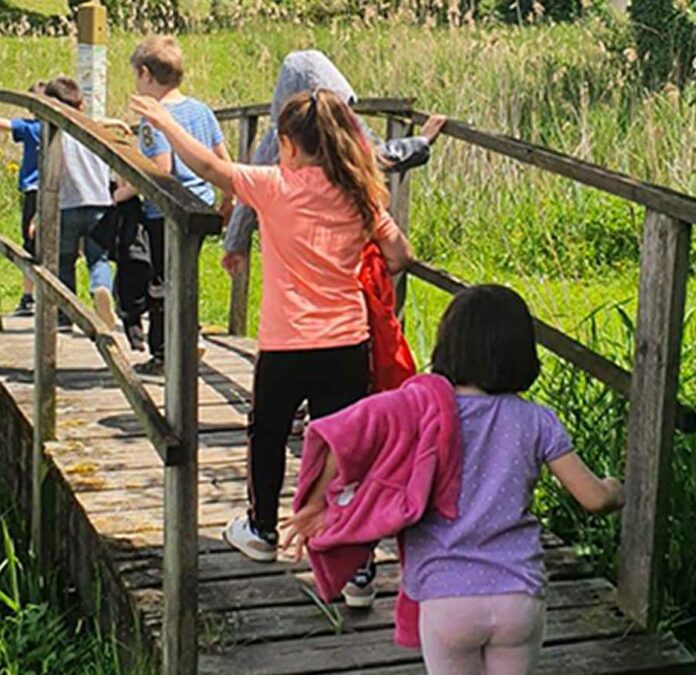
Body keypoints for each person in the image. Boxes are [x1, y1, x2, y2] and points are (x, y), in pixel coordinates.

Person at [129, 87, 412, 561]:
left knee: (268, 435)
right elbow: (401, 255)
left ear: (288, 144)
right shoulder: (360, 195)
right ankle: (357, 562)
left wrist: (166, 123)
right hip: (347, 340)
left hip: (286, 344)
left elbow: (207, 168)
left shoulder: (274, 186)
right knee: (341, 446)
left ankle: (261, 529)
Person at [284, 285, 625, 675]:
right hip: (519, 594)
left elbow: (342, 433)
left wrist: (316, 502)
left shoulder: (420, 409)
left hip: (447, 597)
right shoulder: (536, 421)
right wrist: (618, 490)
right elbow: (594, 499)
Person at [220, 49, 446, 277]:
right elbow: (378, 157)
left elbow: (247, 192)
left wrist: (235, 244)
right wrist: (420, 142)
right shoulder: (314, 134)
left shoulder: (283, 137)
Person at [113, 35, 231, 370]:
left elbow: (160, 169)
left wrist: (121, 194)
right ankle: (190, 335)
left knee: (162, 283)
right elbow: (221, 156)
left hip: (166, 211)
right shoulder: (200, 110)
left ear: (147, 74)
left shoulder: (154, 118)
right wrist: (228, 197)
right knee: (185, 277)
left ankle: (166, 354)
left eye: (137, 75)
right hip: (202, 204)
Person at [42, 76, 114, 329]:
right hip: (100, 203)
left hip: (67, 205)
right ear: (81, 106)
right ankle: (101, 288)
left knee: (64, 259)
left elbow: (51, 174)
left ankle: (66, 314)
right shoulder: (95, 131)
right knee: (99, 258)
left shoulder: (54, 134)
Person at [0, 81, 46, 317]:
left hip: (34, 191)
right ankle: (56, 298)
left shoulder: (30, 128)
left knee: (30, 245)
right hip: (60, 192)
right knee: (57, 245)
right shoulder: (63, 128)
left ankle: (29, 298)